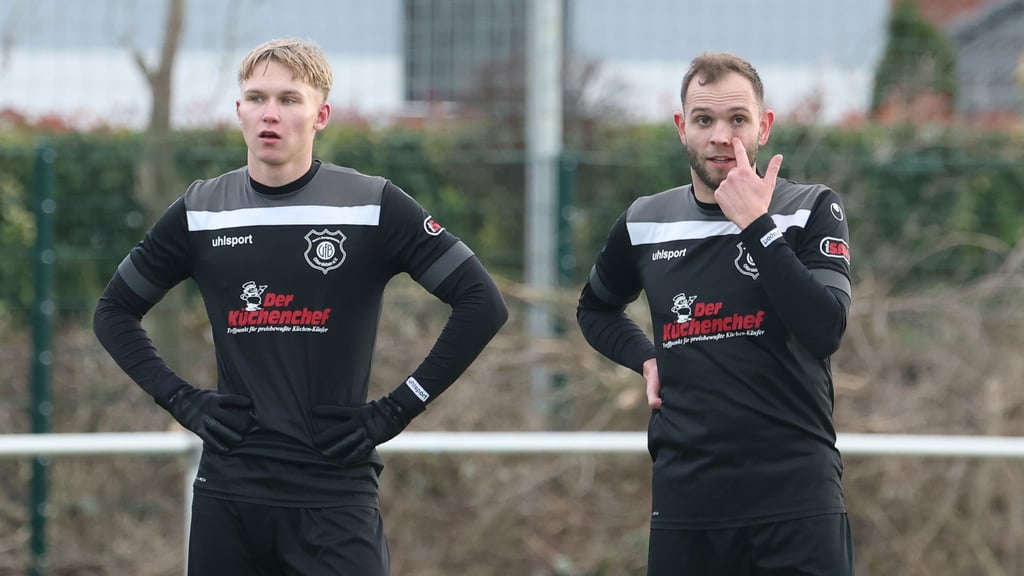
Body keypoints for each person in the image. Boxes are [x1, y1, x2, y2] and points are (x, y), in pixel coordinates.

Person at [93, 38, 508, 575]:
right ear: (238, 111)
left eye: (290, 99)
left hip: (334, 495)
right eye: (257, 97)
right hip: (229, 496)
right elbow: (113, 311)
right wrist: (182, 400)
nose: (271, 113)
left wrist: (399, 407)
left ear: (321, 115)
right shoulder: (201, 210)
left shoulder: (370, 204)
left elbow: (482, 303)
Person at [576, 52, 855, 575]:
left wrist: (756, 224)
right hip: (689, 506)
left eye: (738, 119)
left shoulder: (810, 209)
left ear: (764, 127)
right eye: (704, 120)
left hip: (797, 500)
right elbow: (595, 308)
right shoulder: (645, 222)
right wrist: (645, 358)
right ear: (683, 128)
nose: (721, 136)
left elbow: (826, 328)